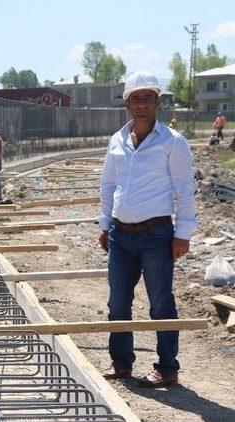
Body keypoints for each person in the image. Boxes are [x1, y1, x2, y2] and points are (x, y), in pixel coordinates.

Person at [97, 71, 197, 388]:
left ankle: (167, 368)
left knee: (161, 304)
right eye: (135, 98)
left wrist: (183, 232)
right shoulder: (117, 141)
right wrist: (105, 224)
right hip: (121, 234)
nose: (141, 104)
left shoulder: (172, 142)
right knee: (118, 303)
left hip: (156, 235)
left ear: (158, 101)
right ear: (127, 103)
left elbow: (185, 190)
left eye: (147, 97)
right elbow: (108, 185)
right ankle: (122, 363)